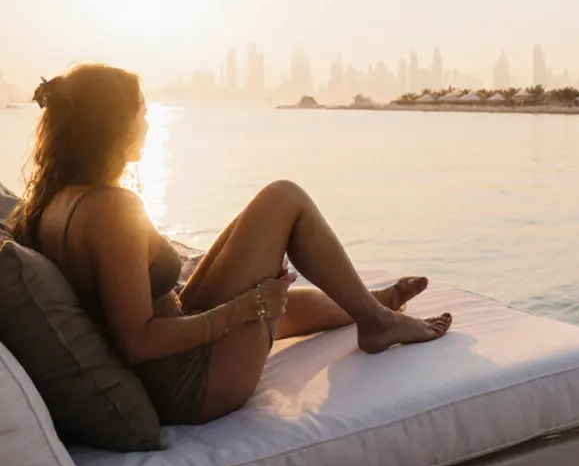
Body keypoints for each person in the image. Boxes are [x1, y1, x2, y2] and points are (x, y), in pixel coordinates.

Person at [6, 64, 452, 425]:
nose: (146, 122)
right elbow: (138, 340)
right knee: (284, 198)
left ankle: (373, 305)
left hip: (165, 362)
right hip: (189, 385)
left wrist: (248, 304)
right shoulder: (111, 210)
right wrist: (243, 309)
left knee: (268, 275)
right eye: (140, 112)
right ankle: (376, 322)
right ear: (111, 124)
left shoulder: (47, 204)